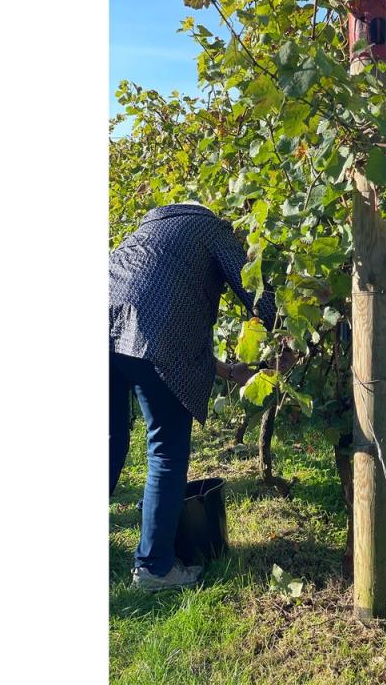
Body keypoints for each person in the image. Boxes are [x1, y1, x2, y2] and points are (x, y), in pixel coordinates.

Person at [109, 202, 292, 591]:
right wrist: (291, 334)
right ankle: (155, 570)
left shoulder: (146, 234)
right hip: (149, 335)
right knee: (165, 451)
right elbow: (253, 288)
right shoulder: (210, 226)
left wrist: (226, 370)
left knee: (108, 441)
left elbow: (157, 308)